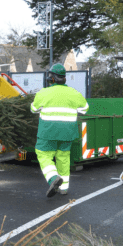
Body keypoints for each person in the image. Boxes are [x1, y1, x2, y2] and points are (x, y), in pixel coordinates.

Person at [30, 63, 89, 198]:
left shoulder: (43, 93)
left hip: (48, 132)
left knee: (43, 155)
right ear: (64, 79)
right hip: (68, 133)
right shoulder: (75, 93)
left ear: (51, 79)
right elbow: (84, 109)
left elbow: (33, 109)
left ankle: (52, 178)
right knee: (63, 158)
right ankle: (63, 188)